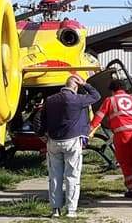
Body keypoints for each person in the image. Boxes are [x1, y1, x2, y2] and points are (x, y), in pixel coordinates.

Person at [41, 75, 101, 218]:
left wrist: (41, 134)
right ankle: (71, 210)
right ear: (75, 86)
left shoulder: (50, 100)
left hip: (53, 141)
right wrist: (85, 84)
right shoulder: (78, 99)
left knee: (54, 177)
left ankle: (55, 209)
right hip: (73, 141)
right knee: (72, 176)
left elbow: (41, 118)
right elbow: (96, 96)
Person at [90, 79, 132, 198]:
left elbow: (99, 116)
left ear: (112, 90)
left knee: (124, 161)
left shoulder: (110, 100)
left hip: (122, 133)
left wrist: (89, 129)